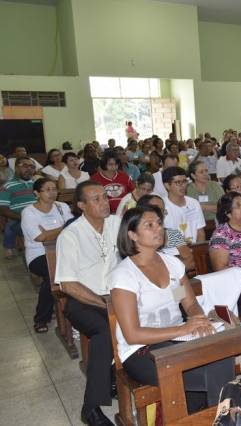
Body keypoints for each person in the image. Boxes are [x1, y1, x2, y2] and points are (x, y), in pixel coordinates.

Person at [109, 206, 234, 411]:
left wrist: (199, 321)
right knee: (213, 372)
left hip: (177, 340)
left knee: (221, 356)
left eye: (159, 223)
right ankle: (217, 417)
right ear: (132, 234)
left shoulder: (172, 264)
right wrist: (183, 329)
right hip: (141, 351)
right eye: (149, 225)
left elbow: (190, 303)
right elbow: (132, 334)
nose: (158, 229)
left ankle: (206, 416)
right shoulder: (125, 275)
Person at [55, 181, 122, 426]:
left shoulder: (116, 223)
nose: (104, 202)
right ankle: (90, 407)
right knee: (106, 330)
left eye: (105, 197)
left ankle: (119, 377)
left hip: (117, 295)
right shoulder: (70, 235)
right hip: (83, 300)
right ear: (81, 205)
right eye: (97, 199)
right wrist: (104, 303)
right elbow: (68, 285)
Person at [21, 177, 73, 333]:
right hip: (38, 254)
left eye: (54, 189)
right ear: (37, 193)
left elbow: (74, 229)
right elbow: (40, 238)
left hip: (63, 251)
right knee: (53, 276)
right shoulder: (29, 212)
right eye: (47, 190)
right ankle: (41, 318)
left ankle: (67, 311)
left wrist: (51, 232)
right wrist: (63, 228)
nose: (52, 193)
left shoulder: (62, 207)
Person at [136, 194, 195, 272]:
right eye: (156, 209)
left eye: (162, 210)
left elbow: (190, 263)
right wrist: (177, 264)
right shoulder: (137, 237)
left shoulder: (173, 234)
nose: (160, 213)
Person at [0, 157, 37, 259]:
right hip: (18, 217)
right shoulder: (7, 186)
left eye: (32, 167)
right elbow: (3, 209)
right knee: (10, 227)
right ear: (16, 168)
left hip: (38, 216)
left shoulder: (36, 184)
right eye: (25, 166)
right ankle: (8, 247)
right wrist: (24, 217)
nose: (29, 169)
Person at [162, 167, 205, 244]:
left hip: (193, 249)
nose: (183, 185)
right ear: (167, 185)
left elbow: (200, 233)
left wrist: (197, 251)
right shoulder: (161, 205)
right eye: (178, 182)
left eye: (185, 181)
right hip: (170, 252)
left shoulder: (194, 203)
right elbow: (162, 234)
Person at [91, 149, 135, 213]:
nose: (114, 167)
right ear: (104, 164)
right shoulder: (95, 179)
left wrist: (129, 207)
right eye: (110, 164)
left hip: (124, 211)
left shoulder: (124, 176)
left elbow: (133, 194)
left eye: (116, 164)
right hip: (104, 212)